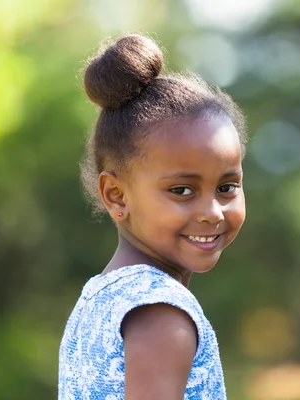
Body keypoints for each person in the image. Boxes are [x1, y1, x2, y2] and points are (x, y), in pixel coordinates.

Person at [58, 33, 247, 399]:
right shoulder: (161, 312)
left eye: (227, 187)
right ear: (116, 194)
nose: (211, 213)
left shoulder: (96, 300)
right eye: (182, 190)